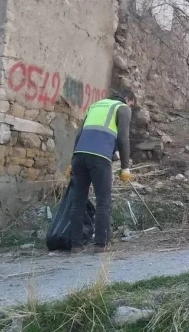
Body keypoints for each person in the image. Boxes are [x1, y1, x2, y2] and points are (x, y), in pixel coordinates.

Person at [67, 90, 136, 254]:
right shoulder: (123, 108)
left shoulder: (94, 106)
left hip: (80, 156)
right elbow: (123, 138)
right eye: (131, 104)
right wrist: (125, 167)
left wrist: (73, 160)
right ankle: (100, 245)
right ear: (127, 99)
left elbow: (80, 135)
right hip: (99, 159)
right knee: (103, 201)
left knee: (78, 202)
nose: (130, 107)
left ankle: (75, 245)